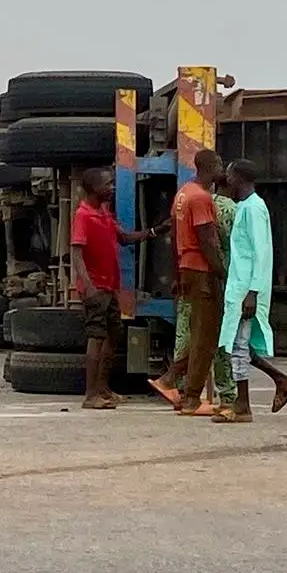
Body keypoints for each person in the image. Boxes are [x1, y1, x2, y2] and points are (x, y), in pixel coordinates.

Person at [69, 167, 163, 410]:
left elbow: (123, 237)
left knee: (113, 335)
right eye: (107, 184)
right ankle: (91, 395)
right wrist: (88, 287)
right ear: (93, 188)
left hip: (110, 287)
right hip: (96, 288)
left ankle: (103, 388)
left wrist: (153, 232)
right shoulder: (83, 215)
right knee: (97, 337)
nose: (112, 187)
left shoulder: (103, 212)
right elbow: (77, 254)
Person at [217, 159, 287, 423]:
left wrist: (252, 292)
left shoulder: (253, 208)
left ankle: (243, 405)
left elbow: (260, 252)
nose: (226, 180)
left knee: (238, 346)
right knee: (236, 344)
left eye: (229, 175)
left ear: (238, 178)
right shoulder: (245, 207)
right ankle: (282, 381)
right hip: (240, 287)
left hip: (246, 289)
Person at [150, 149, 225, 416]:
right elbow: (207, 240)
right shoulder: (201, 198)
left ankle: (170, 379)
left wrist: (177, 274)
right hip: (203, 271)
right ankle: (192, 397)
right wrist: (222, 271)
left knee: (198, 332)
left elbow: (174, 239)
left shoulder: (182, 194)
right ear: (211, 167)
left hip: (187, 267)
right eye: (220, 165)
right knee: (206, 337)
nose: (222, 170)